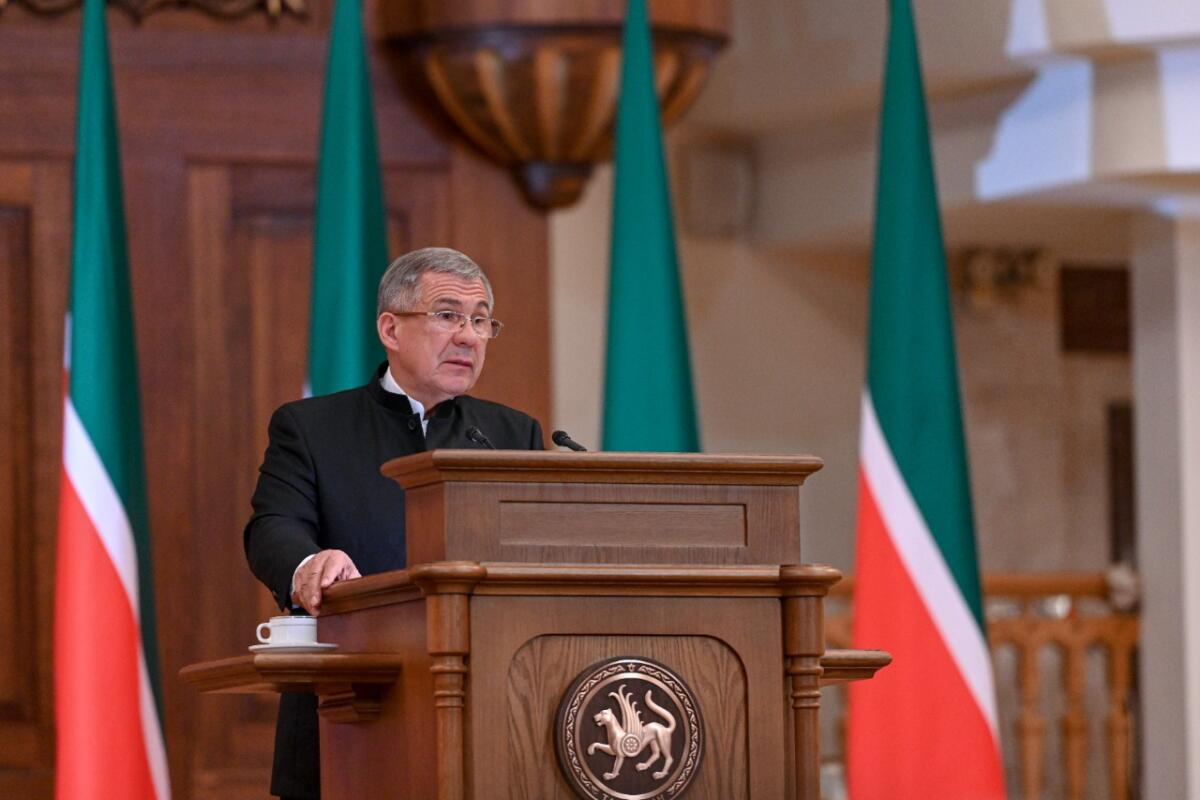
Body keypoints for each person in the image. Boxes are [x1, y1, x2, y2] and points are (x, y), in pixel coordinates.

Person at [243, 247, 544, 799]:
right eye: (448, 315)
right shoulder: (312, 426)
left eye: (481, 321)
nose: (469, 336)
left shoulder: (512, 434)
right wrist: (309, 564)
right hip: (348, 710)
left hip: (490, 716)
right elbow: (273, 527)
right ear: (390, 329)